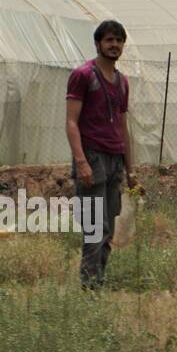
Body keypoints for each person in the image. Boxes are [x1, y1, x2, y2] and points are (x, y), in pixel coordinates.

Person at [66, 20, 141, 289]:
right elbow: (72, 122)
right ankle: (89, 290)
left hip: (114, 161)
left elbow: (123, 127)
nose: (115, 45)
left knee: (107, 229)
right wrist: (81, 161)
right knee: (94, 228)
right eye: (109, 40)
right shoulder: (83, 75)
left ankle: (99, 283)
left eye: (119, 41)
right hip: (92, 158)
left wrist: (130, 171)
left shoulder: (122, 82)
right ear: (98, 43)